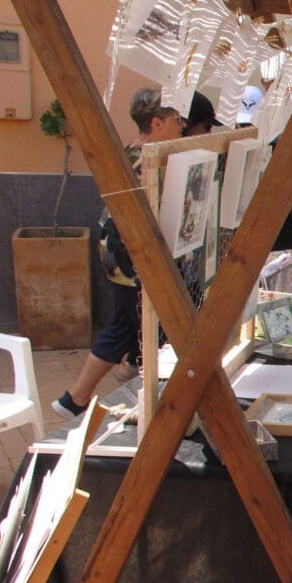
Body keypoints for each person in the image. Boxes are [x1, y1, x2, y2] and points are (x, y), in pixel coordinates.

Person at [51, 87, 186, 420]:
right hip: (130, 254)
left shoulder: (136, 153)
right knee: (147, 325)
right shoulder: (146, 160)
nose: (181, 125)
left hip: (122, 252)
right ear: (156, 123)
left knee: (126, 326)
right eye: (175, 118)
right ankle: (145, 400)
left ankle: (75, 400)